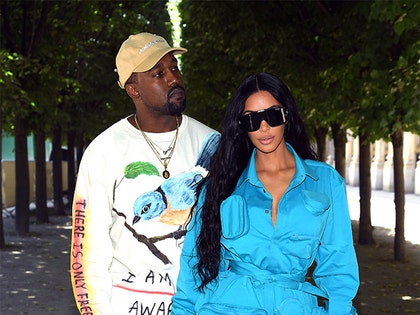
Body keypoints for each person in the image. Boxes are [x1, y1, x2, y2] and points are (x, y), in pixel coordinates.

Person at [172, 72, 359, 315]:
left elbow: (338, 264)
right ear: (241, 126)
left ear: (286, 115)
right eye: (252, 119)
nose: (263, 127)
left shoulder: (324, 181)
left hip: (295, 306)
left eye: (272, 115)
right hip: (226, 306)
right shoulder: (221, 185)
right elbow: (194, 264)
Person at [70, 32, 220, 314]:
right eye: (158, 73)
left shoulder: (215, 144)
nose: (173, 78)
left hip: (204, 306)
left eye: (174, 68)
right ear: (133, 89)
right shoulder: (103, 151)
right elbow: (88, 254)